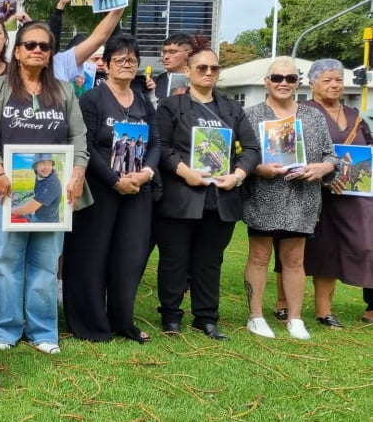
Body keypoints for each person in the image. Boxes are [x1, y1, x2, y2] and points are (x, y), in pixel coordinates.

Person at [0, 19, 90, 354]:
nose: (37, 50)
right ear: (18, 51)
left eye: (44, 46)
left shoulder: (64, 91)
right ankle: (5, 328)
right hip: (5, 187)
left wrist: (78, 173)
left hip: (55, 189)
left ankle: (43, 332)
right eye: (30, 45)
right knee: (5, 260)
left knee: (46, 261)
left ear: (51, 53)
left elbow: (78, 136)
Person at [153, 46, 258, 339]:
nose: (209, 72)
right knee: (174, 259)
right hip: (180, 197)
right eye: (202, 67)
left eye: (214, 68)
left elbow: (251, 148)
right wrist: (184, 171)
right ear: (188, 71)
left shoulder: (232, 109)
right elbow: (161, 146)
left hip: (221, 199)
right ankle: (171, 316)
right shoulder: (170, 106)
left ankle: (207, 317)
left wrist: (237, 175)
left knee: (210, 262)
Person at [62, 34, 160, 343]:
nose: (126, 64)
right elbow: (86, 145)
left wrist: (146, 173)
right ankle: (91, 323)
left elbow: (156, 142)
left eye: (132, 59)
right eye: (119, 59)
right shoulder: (92, 100)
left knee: (128, 257)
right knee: (92, 256)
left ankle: (123, 321)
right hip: (101, 189)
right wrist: (114, 181)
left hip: (137, 191)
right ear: (106, 64)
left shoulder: (143, 101)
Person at [243, 57, 337, 340]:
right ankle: (255, 316)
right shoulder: (250, 115)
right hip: (264, 195)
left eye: (290, 78)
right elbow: (241, 156)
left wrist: (321, 168)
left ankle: (295, 318)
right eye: (277, 78)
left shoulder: (313, 116)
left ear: (298, 83)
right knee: (259, 256)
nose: (283, 83)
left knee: (295, 259)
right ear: (266, 82)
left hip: (302, 197)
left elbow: (331, 156)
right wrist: (258, 168)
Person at [301, 59, 373, 327]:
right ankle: (324, 312)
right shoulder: (304, 113)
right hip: (319, 195)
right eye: (328, 80)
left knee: (366, 244)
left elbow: (369, 146)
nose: (335, 85)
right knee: (325, 250)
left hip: (357, 196)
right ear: (312, 84)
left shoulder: (354, 115)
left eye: (339, 80)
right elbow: (298, 152)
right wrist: (325, 178)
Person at [145, 33, 196, 104]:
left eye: (172, 52)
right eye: (164, 52)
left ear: (189, 54)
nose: (166, 57)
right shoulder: (153, 84)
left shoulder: (199, 81)